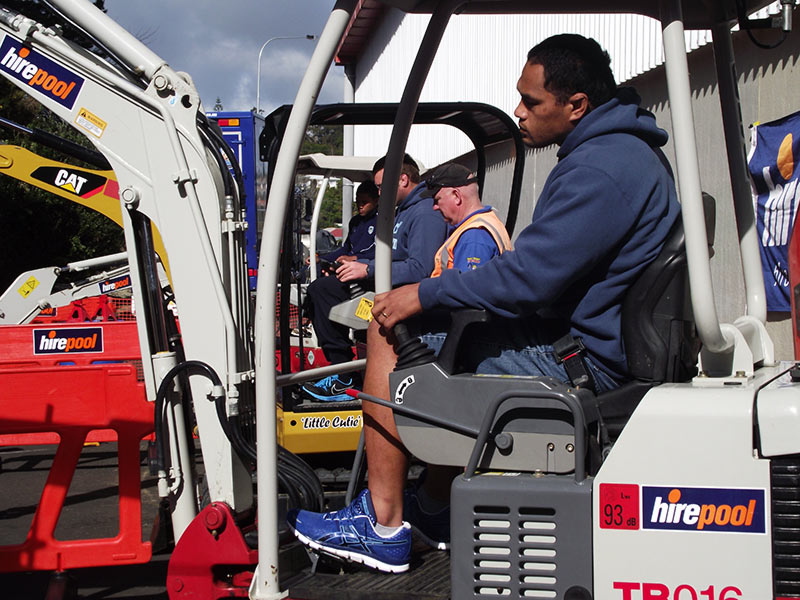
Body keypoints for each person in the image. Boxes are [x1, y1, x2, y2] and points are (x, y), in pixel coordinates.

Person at [288, 34, 680, 573]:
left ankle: (381, 523)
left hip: (584, 362)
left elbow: (528, 280)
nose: (519, 111)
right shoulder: (622, 154)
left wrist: (421, 293)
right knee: (453, 338)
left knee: (387, 328)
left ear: (576, 105)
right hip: (589, 342)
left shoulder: (602, 168)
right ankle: (434, 509)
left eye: (531, 102)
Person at [301, 154, 447, 402]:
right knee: (321, 289)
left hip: (404, 296)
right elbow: (390, 255)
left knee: (325, 290)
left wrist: (367, 270)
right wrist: (358, 265)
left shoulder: (424, 213)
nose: (379, 193)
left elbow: (421, 268)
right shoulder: (402, 211)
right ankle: (342, 370)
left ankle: (345, 376)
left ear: (402, 180)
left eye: (381, 186)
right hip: (387, 284)